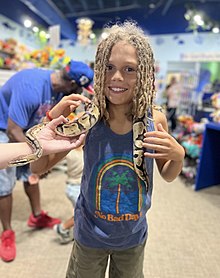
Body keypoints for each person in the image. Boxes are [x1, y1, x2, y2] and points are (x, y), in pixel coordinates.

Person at [31, 21, 185, 278]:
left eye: (129, 69)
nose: (117, 77)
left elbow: (167, 174)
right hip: (90, 233)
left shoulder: (154, 120)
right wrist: (49, 124)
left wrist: (178, 156)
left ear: (145, 73)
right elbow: (37, 167)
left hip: (133, 236)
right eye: (109, 67)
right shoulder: (85, 120)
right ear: (99, 70)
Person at [0, 60, 93, 262]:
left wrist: (42, 161)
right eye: (81, 89)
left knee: (32, 175)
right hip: (5, 127)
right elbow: (12, 130)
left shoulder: (61, 90)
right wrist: (38, 154)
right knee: (4, 183)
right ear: (72, 84)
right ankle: (7, 232)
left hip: (29, 126)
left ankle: (36, 215)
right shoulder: (30, 88)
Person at [0, 116, 86, 170]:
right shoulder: (36, 152)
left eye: (16, 163)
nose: (14, 164)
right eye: (17, 163)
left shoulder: (36, 150)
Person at [53, 146, 83, 244]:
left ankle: (78, 232)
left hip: (71, 186)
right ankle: (62, 228)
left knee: (80, 211)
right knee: (83, 214)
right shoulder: (84, 152)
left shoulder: (69, 151)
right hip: (77, 188)